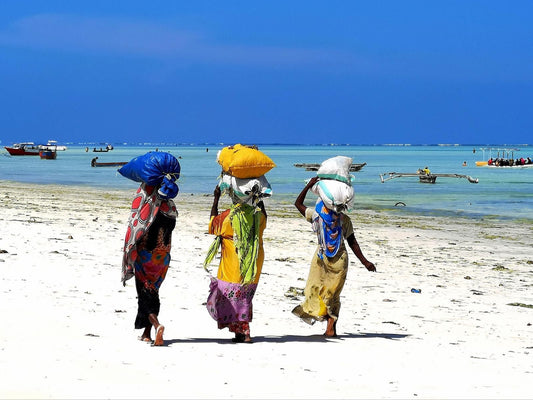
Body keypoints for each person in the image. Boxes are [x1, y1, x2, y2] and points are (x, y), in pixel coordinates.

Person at [292, 176, 376, 337]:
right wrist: (365, 262)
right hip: (327, 261)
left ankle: (331, 327)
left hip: (325, 259)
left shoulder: (317, 216)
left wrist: (309, 186)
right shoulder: (335, 218)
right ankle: (328, 323)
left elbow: (298, 204)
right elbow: (353, 243)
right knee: (324, 292)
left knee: (329, 293)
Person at [204, 185, 267, 343]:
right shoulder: (256, 215)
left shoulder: (229, 216)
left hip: (234, 260)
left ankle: (244, 332)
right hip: (254, 260)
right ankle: (240, 332)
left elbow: (212, 224)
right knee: (245, 296)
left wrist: (216, 198)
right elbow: (265, 215)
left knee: (231, 294)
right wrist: (258, 199)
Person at [121, 178, 179, 346]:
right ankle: (146, 333)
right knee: (153, 291)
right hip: (162, 259)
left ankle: (156, 325)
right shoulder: (171, 210)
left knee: (144, 294)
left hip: (146, 257)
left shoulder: (151, 209)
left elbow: (138, 228)